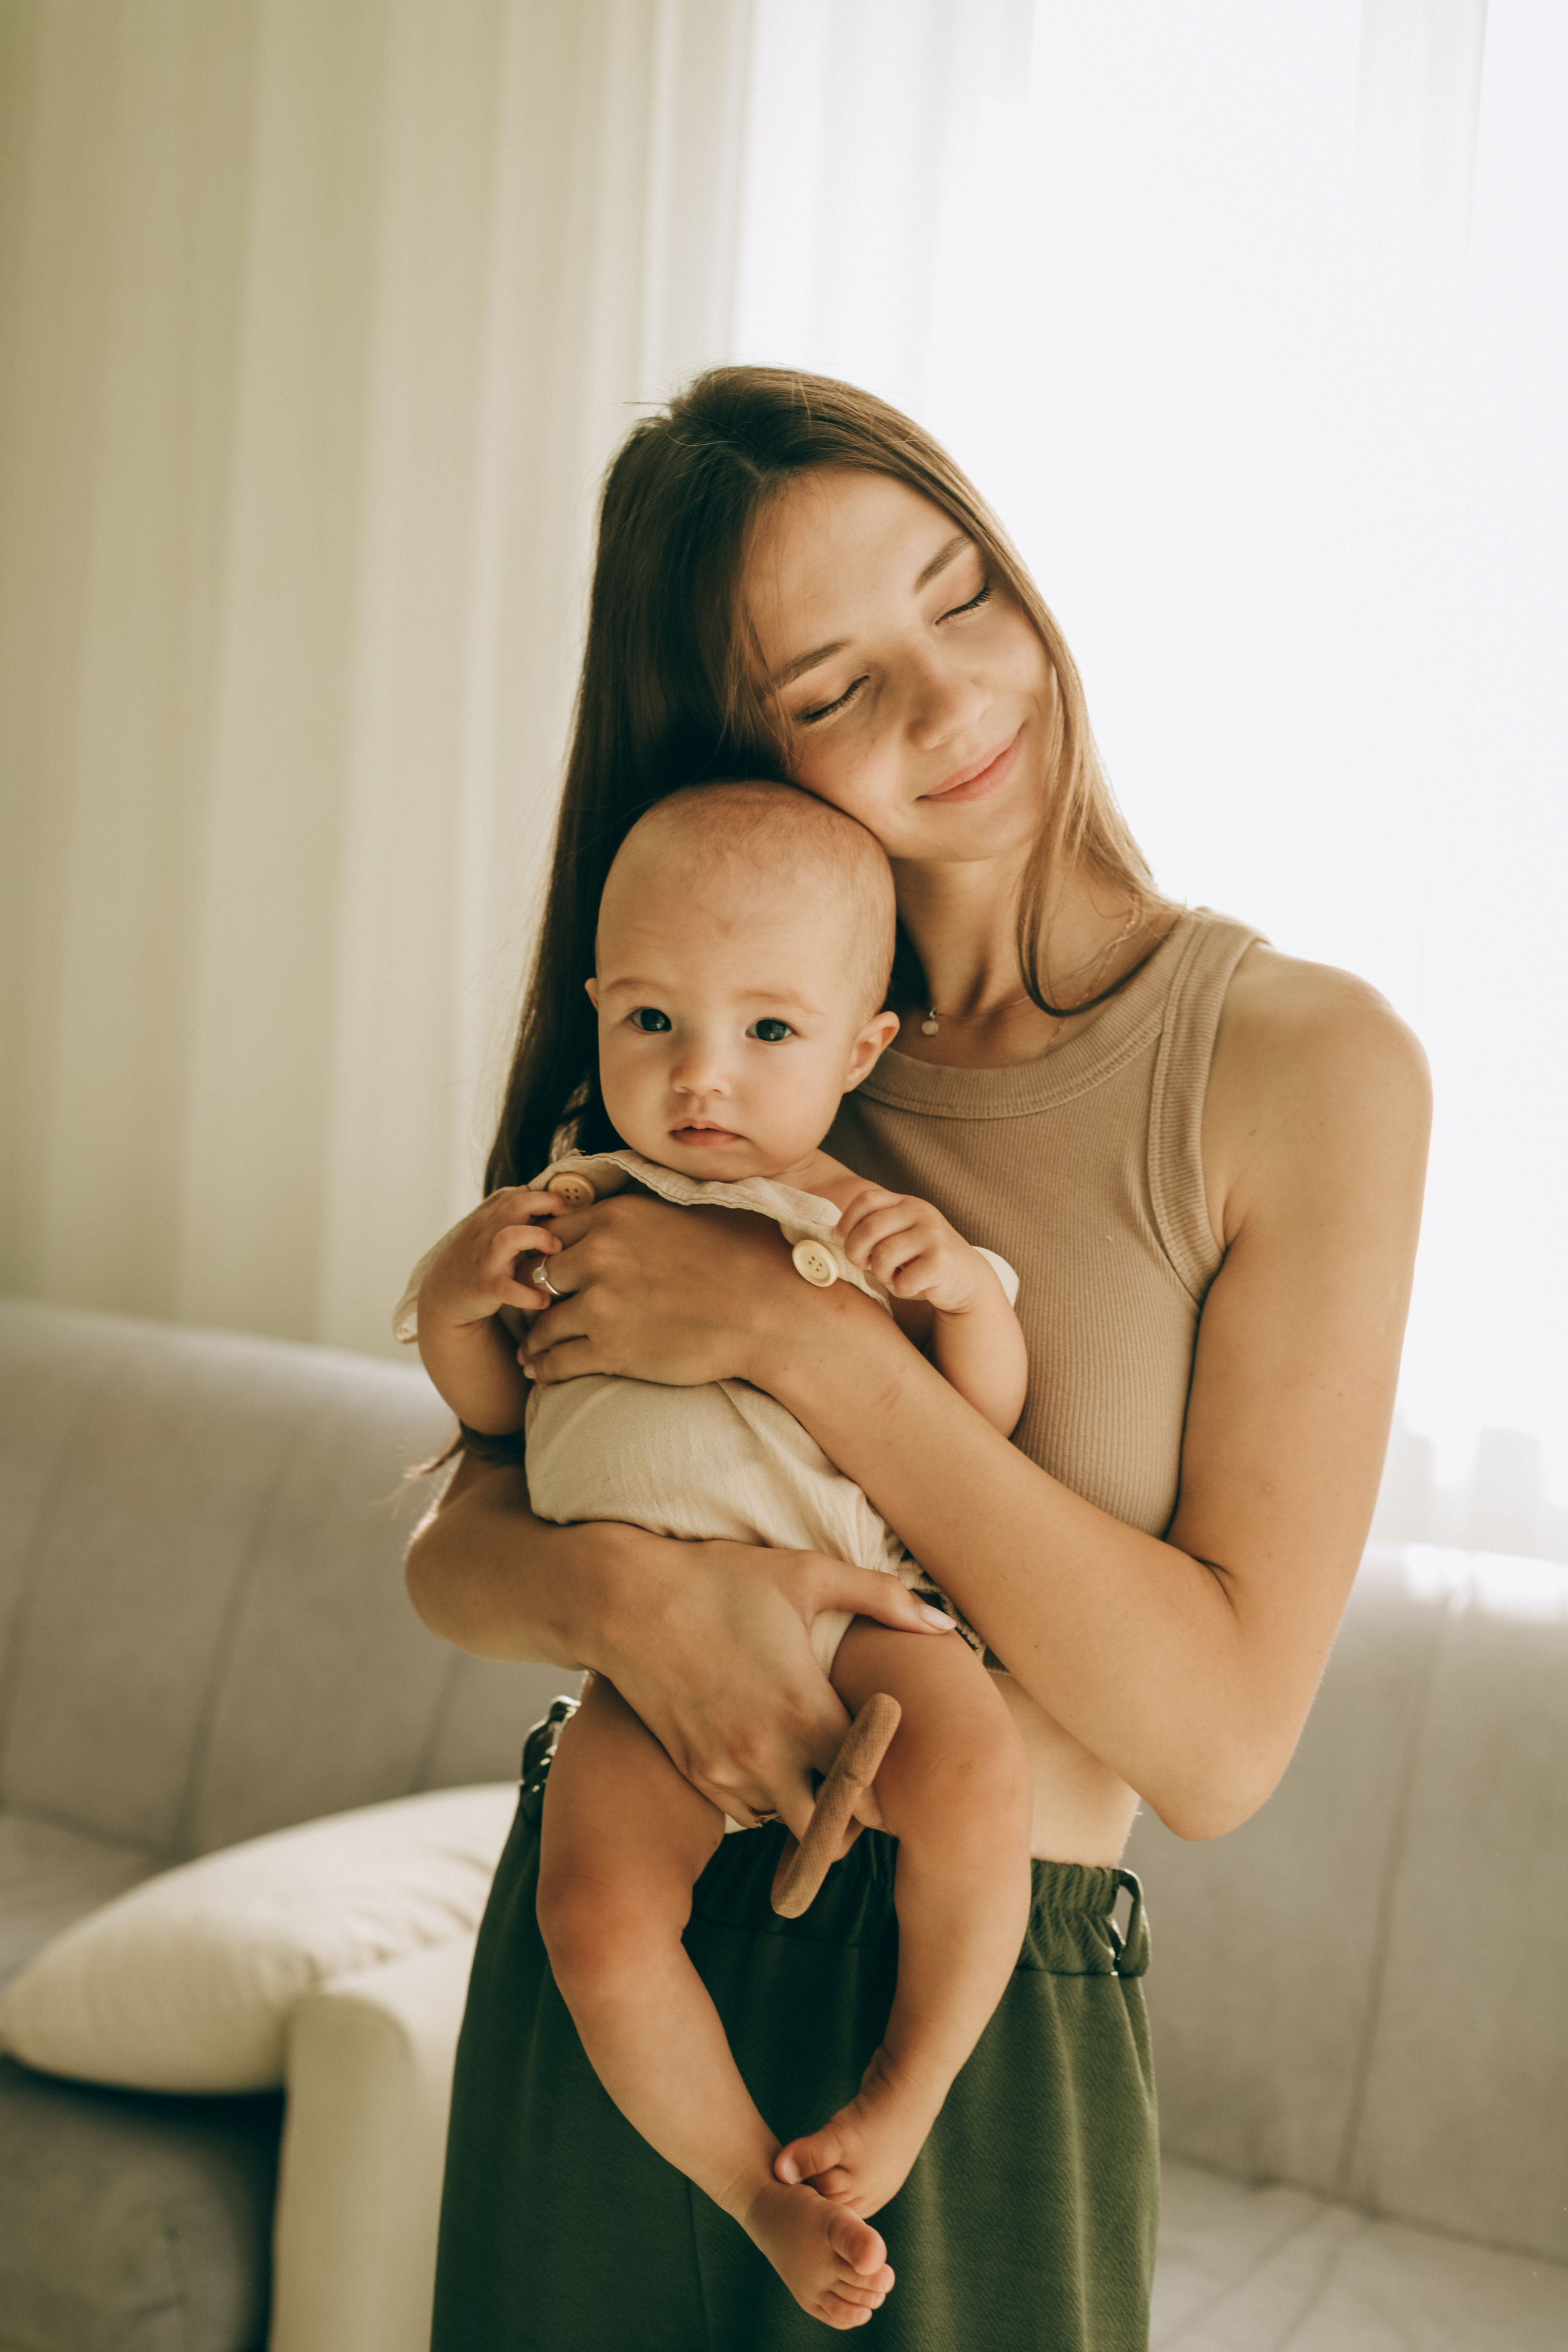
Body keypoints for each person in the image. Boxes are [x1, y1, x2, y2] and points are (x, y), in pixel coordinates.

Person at [408, 368, 1431, 2351]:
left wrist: (810, 1346)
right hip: (625, 1961)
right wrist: (625, 1591)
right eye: (829, 686)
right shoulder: (707, 1045)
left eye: (962, 595)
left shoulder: (1304, 1069)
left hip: (974, 2011)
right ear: (733, 743)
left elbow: (1216, 1748)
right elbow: (456, 1538)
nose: (953, 700)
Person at [408, 780, 1037, 2328]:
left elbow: (976, 1425)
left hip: (855, 1611)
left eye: (767, 1033)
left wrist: (960, 1292)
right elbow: (500, 1420)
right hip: (646, 1659)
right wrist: (448, 1301)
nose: (701, 1077)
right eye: (652, 1023)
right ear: (597, 1011)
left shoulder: (862, 1222)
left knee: (977, 1781)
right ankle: (750, 2185)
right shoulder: (565, 1207)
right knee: (592, 1911)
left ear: (859, 1049)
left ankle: (900, 2095)